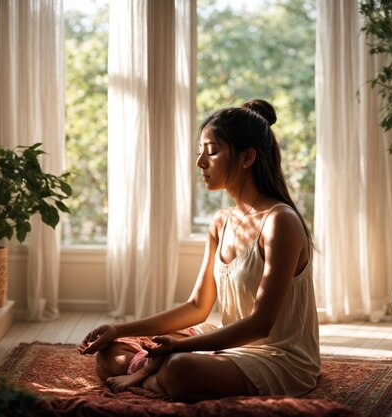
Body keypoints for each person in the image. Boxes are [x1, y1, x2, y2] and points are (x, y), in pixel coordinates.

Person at [78, 99, 320, 402]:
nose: (200, 163)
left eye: (212, 151)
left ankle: (152, 375)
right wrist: (117, 328)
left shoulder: (280, 221)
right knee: (109, 353)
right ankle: (154, 374)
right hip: (229, 345)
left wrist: (180, 347)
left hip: (278, 357)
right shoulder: (221, 222)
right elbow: (197, 307)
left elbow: (262, 324)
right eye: (200, 152)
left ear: (247, 158)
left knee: (182, 367)